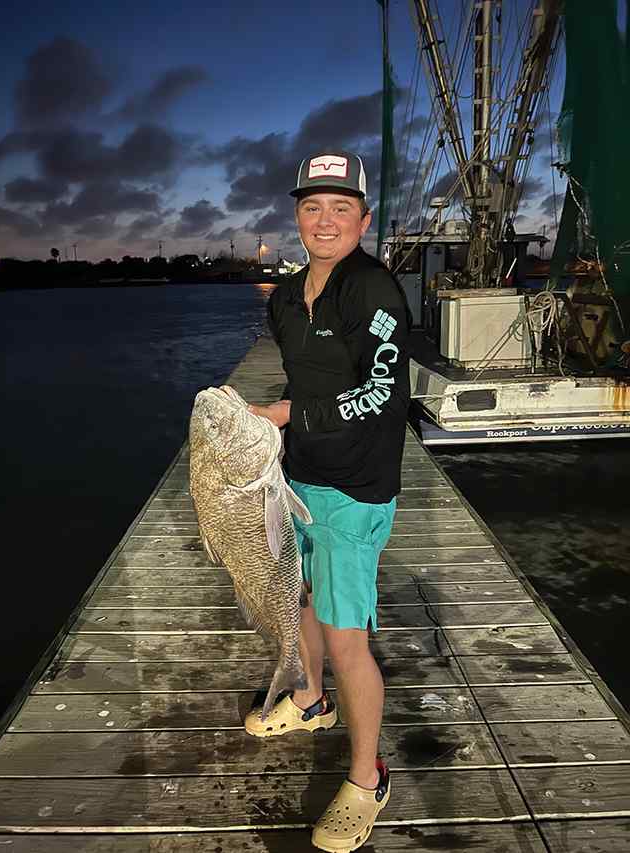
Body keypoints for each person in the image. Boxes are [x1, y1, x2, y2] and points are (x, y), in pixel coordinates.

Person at [246, 150, 411, 853]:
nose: (325, 218)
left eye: (341, 207)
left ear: (363, 219)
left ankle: (367, 777)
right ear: (296, 215)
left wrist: (283, 414)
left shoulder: (374, 292)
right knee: (306, 598)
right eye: (312, 205)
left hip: (354, 488)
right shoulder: (285, 299)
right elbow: (302, 371)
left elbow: (380, 395)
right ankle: (310, 702)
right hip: (299, 477)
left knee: (348, 638)